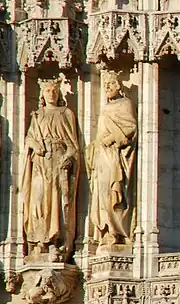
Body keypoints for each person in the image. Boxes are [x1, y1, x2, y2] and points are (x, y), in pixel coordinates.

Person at [21, 78, 80, 261]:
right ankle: (39, 242)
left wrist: (68, 157)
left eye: (54, 91)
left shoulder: (66, 114)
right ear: (42, 95)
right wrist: (35, 145)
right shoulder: (37, 116)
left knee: (57, 201)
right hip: (40, 163)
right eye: (48, 91)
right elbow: (29, 138)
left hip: (58, 163)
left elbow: (73, 145)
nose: (51, 94)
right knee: (38, 201)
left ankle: (56, 242)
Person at [87, 71, 137, 253]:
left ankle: (118, 233)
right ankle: (107, 231)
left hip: (116, 156)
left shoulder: (125, 104)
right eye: (105, 84)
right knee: (102, 195)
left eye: (111, 83)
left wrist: (112, 138)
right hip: (102, 157)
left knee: (114, 193)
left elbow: (130, 129)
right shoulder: (105, 109)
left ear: (119, 86)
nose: (107, 87)